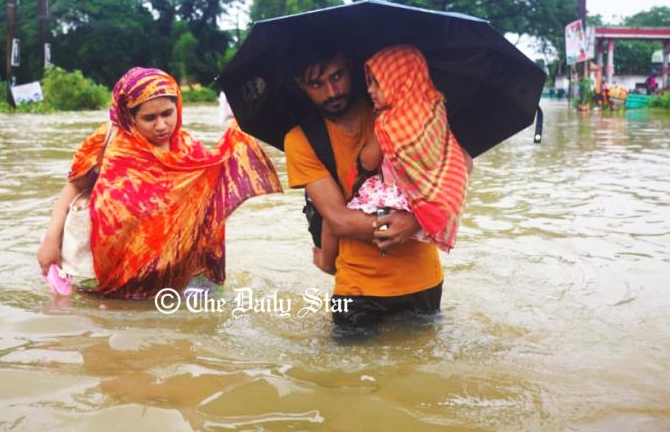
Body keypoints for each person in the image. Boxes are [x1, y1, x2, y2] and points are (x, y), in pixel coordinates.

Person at [37, 67, 282, 299]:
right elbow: (73, 188)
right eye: (149, 118)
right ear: (129, 116)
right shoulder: (108, 141)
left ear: (178, 106)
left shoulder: (188, 148)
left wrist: (243, 127)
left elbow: (211, 192)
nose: (162, 125)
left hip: (176, 272)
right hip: (111, 273)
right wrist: (50, 242)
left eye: (167, 113)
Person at [284, 42, 468, 328]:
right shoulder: (301, 140)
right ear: (300, 85)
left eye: (337, 76)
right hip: (357, 287)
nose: (331, 92)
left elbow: (460, 165)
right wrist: (414, 222)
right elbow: (339, 220)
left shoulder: (400, 109)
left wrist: (414, 221)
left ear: (351, 67)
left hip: (424, 279)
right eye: (316, 84)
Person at [313, 46, 469, 276]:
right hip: (427, 199)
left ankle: (326, 262)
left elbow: (367, 161)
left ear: (397, 83)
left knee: (329, 222)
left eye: (377, 83)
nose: (370, 90)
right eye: (369, 82)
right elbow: (460, 161)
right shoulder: (435, 114)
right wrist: (423, 216)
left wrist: (379, 124)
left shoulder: (388, 124)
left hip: (395, 197)